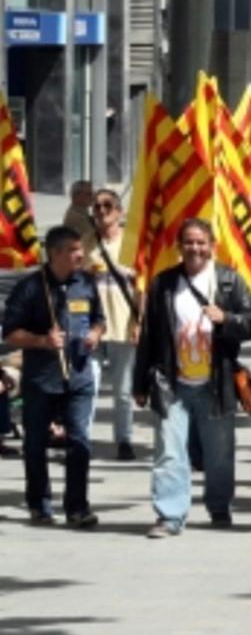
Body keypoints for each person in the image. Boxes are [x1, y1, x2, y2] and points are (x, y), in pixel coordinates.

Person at [132, 218, 251, 537]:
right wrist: (139, 383)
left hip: (216, 383)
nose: (195, 248)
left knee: (219, 453)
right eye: (189, 242)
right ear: (180, 247)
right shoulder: (163, 284)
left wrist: (226, 318)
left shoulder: (228, 281)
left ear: (212, 246)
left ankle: (219, 507)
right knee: (169, 451)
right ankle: (170, 515)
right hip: (171, 384)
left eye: (201, 242)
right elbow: (149, 335)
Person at [2, 226, 106, 527]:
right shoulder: (32, 288)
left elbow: (99, 319)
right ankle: (39, 503)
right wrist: (42, 342)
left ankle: (77, 506)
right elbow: (10, 332)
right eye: (74, 249)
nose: (81, 254)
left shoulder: (85, 282)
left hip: (80, 375)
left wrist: (95, 334)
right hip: (41, 379)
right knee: (35, 443)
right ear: (56, 253)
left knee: (80, 441)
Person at [85, 188, 142, 460]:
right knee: (87, 387)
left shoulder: (132, 244)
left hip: (122, 326)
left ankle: (124, 440)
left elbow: (143, 287)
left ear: (119, 211)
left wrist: (139, 322)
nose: (102, 211)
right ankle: (81, 440)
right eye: (97, 207)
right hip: (91, 329)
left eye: (108, 206)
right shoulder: (86, 244)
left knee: (122, 391)